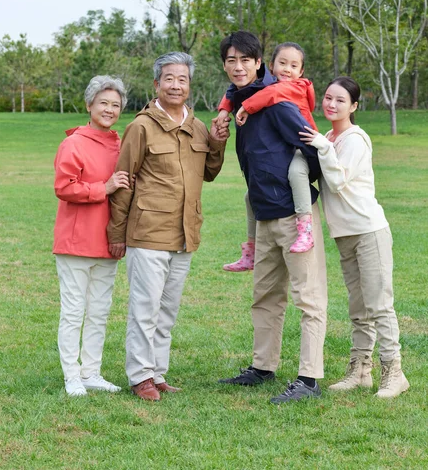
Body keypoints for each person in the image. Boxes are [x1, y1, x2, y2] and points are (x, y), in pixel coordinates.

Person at [107, 52, 228, 402]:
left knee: (167, 310)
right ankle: (140, 375)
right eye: (169, 79)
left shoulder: (197, 125)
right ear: (156, 84)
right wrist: (116, 234)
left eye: (183, 79)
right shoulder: (141, 126)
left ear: (189, 86)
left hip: (185, 232)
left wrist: (218, 141)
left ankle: (157, 372)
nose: (176, 85)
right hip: (147, 232)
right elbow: (123, 181)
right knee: (145, 309)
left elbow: (209, 171)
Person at [217, 31, 327, 404]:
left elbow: (311, 146)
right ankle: (263, 367)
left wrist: (297, 185)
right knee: (265, 296)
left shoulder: (278, 101)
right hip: (264, 216)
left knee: (308, 299)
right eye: (231, 60)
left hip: (296, 218)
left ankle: (309, 379)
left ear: (259, 63)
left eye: (245, 60)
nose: (238, 66)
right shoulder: (240, 101)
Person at [300, 76, 409, 398]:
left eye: (340, 100)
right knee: (358, 307)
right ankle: (361, 370)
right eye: (328, 98)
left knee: (379, 305)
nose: (331, 104)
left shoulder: (354, 139)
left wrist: (321, 146)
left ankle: (394, 372)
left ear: (354, 106)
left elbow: (336, 182)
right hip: (344, 234)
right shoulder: (330, 136)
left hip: (368, 231)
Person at [53, 76, 130, 397]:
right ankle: (72, 376)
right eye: (103, 103)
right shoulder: (74, 143)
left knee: (99, 311)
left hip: (108, 242)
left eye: (116, 105)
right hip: (75, 243)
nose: (109, 110)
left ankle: (91, 372)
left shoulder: (121, 144)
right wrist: (105, 187)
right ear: (89, 105)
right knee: (73, 311)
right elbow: (64, 187)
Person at [216, 42, 317, 272]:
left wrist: (245, 107)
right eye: (282, 63)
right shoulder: (262, 90)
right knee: (249, 196)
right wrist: (225, 109)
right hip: (270, 192)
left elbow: (270, 94)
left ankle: (305, 227)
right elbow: (233, 91)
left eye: (294, 66)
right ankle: (250, 250)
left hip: (306, 145)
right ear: (271, 66)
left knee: (297, 173)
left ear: (301, 71)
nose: (287, 70)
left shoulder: (292, 88)